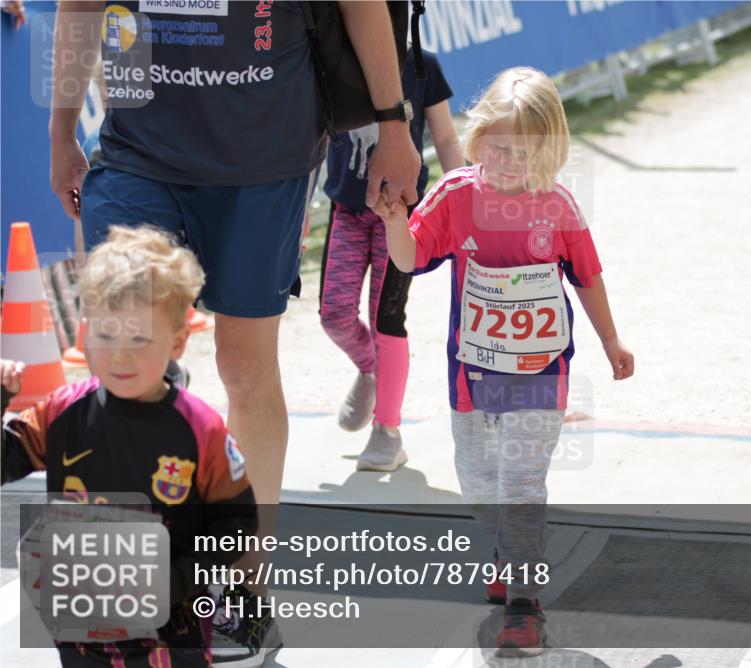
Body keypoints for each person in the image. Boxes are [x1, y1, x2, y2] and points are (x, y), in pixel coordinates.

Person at [49, 2, 421, 663]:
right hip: (138, 152)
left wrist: (394, 125)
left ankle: (247, 593)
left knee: (245, 369)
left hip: (265, 157)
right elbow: (79, 6)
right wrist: (60, 132)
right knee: (124, 350)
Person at [373, 66, 635, 657]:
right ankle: (507, 553)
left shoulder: (558, 205)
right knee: (478, 483)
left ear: (548, 150)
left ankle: (524, 604)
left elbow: (587, 277)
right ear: (479, 135)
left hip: (540, 374)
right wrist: (393, 222)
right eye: (499, 146)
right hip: (472, 375)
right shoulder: (455, 195)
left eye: (524, 151)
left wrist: (611, 342)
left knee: (519, 483)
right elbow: (410, 259)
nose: (509, 161)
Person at [1, 226, 258, 668]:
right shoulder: (60, 413)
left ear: (177, 342)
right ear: (85, 335)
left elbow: (236, 526)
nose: (120, 355)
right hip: (83, 632)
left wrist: (175, 581)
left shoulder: (202, 430)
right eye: (106, 335)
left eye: (138, 338)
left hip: (171, 631)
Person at [321, 45, 464, 471]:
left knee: (386, 319)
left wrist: (464, 200)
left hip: (398, 216)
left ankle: (387, 431)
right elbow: (313, 138)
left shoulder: (423, 65)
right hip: (346, 212)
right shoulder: (333, 59)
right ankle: (370, 370)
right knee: (333, 315)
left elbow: (446, 138)